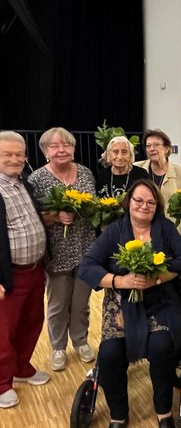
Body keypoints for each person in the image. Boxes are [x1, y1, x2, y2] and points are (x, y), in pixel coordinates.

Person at [79, 179, 181, 428]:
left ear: (157, 206)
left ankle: (163, 413)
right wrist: (120, 281)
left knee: (162, 347)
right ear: (128, 202)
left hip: (159, 300)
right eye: (138, 200)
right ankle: (118, 416)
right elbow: (87, 266)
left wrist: (156, 278)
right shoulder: (114, 231)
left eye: (151, 202)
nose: (144, 206)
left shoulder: (164, 228)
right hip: (122, 301)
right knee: (109, 354)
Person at [28, 127, 96, 371]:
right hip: (57, 252)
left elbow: (94, 206)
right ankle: (58, 347)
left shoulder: (86, 173)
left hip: (86, 247)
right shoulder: (37, 179)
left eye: (66, 145)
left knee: (81, 302)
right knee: (57, 304)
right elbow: (33, 215)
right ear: (46, 151)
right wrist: (55, 216)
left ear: (73, 149)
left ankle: (81, 341)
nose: (61, 150)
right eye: (55, 146)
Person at [0, 131, 49, 409]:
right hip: (9, 275)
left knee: (31, 322)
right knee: (2, 332)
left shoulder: (24, 183)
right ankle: (1, 383)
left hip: (34, 269)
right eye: (7, 154)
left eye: (19, 154)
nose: (15, 159)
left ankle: (21, 367)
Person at [134, 128, 181, 221]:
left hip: (172, 227)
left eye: (156, 145)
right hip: (144, 225)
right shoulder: (137, 169)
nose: (152, 149)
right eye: (148, 146)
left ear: (167, 149)